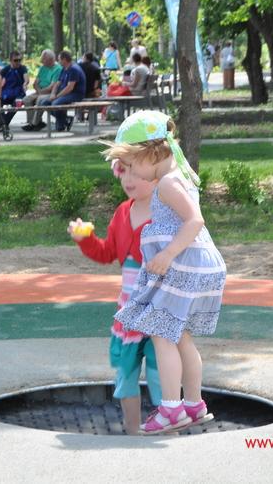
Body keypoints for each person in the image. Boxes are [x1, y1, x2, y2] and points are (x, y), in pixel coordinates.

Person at [106, 110, 226, 435]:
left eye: (132, 164)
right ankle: (194, 404)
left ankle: (171, 408)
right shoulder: (178, 176)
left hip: (182, 265)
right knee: (181, 336)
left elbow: (195, 220)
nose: (132, 173)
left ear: (151, 152)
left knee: (162, 334)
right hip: (194, 266)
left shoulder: (170, 183)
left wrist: (168, 253)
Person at [67, 158, 162, 436]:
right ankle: (133, 430)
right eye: (124, 172)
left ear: (157, 175)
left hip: (159, 310)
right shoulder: (122, 213)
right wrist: (86, 239)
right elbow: (107, 252)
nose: (128, 180)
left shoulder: (166, 212)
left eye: (136, 173)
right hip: (129, 314)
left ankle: (169, 428)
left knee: (161, 374)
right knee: (126, 373)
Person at [42, 50, 85, 132]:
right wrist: (53, 94)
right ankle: (65, 120)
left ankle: (61, 125)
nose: (58, 61)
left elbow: (70, 87)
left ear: (64, 59)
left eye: (59, 59)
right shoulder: (64, 69)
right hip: (65, 93)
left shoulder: (74, 69)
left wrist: (57, 96)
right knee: (44, 103)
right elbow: (57, 83)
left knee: (55, 103)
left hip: (75, 94)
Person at [22, 49, 62, 131]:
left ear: (51, 60)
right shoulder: (43, 68)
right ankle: (32, 122)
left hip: (50, 93)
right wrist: (38, 90)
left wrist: (41, 92)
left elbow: (52, 86)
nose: (42, 61)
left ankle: (34, 123)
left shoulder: (58, 69)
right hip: (39, 91)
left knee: (40, 99)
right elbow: (35, 83)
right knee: (26, 99)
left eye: (44, 59)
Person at [0, 50, 29, 125]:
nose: (18, 62)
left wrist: (25, 84)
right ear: (10, 60)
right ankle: (2, 121)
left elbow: (26, 79)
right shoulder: (5, 70)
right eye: (16, 60)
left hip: (19, 94)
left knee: (16, 104)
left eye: (19, 60)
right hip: (7, 93)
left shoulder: (23, 68)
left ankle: (4, 123)